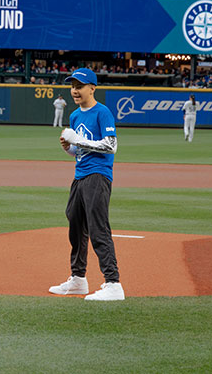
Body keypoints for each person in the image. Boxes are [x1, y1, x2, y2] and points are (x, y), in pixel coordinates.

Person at [49, 68, 124, 301]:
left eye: (79, 86)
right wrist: (69, 148)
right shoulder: (74, 116)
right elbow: (80, 151)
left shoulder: (103, 112)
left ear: (92, 88)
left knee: (97, 227)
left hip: (98, 175)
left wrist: (78, 140)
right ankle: (78, 278)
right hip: (80, 175)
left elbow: (111, 145)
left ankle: (113, 283)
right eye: (72, 86)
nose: (75, 90)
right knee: (75, 222)